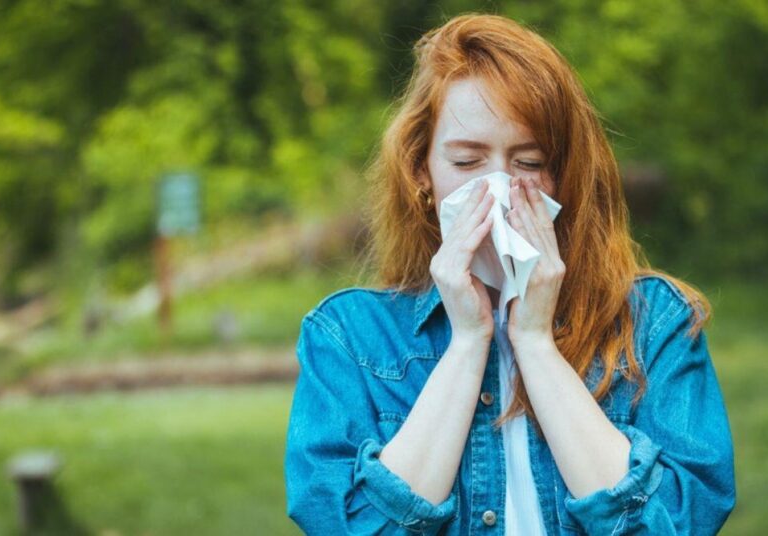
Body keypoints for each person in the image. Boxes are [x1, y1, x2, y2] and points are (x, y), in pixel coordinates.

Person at [284, 13, 735, 535]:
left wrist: (536, 342)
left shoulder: (655, 323)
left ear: (563, 175)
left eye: (527, 162)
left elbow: (679, 523)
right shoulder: (349, 336)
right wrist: (469, 340)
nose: (498, 190)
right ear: (422, 173)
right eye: (468, 162)